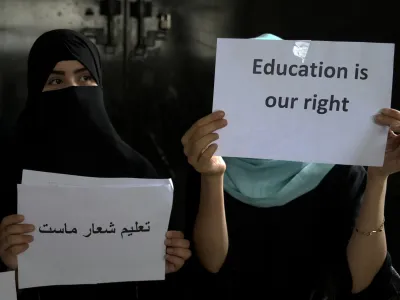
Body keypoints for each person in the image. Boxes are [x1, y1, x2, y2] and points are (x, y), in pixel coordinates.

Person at [181, 34, 400, 300]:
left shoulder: (338, 170)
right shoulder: (208, 161)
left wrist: (378, 177)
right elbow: (212, 266)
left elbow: (361, 280)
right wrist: (212, 177)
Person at [0, 29, 191, 300]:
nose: (73, 91)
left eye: (85, 77)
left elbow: (156, 288)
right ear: (35, 88)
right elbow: (4, 293)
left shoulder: (138, 175)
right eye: (55, 80)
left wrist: (166, 267)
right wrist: (9, 269)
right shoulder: (8, 175)